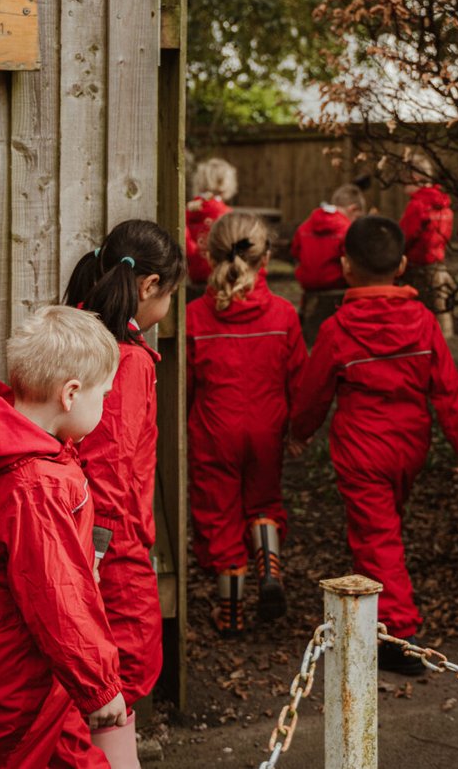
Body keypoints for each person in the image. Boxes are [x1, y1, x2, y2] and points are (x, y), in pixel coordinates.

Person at [289, 215, 458, 675]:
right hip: (410, 446)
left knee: (378, 538)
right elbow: (447, 386)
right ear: (403, 265)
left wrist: (300, 430)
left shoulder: (338, 329)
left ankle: (399, 637)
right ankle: (381, 611)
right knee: (383, 529)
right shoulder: (424, 321)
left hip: (363, 451)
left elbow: (314, 392)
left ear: (345, 266)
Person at [0, 305, 127, 769]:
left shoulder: (16, 449)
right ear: (71, 394)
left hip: (42, 667)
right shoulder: (34, 484)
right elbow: (55, 593)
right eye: (103, 395)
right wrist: (99, 683)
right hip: (16, 678)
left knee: (74, 758)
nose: (104, 407)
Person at [62, 220, 185, 769]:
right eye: (170, 293)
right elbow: (109, 464)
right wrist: (98, 553)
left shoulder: (77, 336)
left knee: (97, 667)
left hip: (81, 531)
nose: (169, 305)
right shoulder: (124, 359)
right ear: (150, 285)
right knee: (127, 663)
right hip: (111, 542)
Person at [186, 211, 307, 635]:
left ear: (208, 257)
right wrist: (297, 430)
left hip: (214, 431)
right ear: (266, 257)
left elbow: (186, 385)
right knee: (264, 502)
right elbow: (300, 377)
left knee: (218, 513)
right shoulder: (284, 315)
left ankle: (231, 611)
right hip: (268, 428)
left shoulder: (195, 317)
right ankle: (269, 567)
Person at [290, 182, 364, 344]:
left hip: (308, 284)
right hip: (336, 284)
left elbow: (295, 251)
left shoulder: (306, 225)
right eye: (357, 217)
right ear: (353, 209)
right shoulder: (346, 229)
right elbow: (352, 259)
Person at [398, 156, 454, 337]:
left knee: (418, 312)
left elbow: (404, 237)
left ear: (414, 178)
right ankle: (444, 342)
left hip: (418, 269)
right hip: (438, 265)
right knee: (440, 309)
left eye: (403, 181)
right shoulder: (443, 204)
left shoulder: (417, 206)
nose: (402, 187)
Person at [184, 158, 237, 290]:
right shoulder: (226, 213)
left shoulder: (189, 210)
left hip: (193, 271)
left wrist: (193, 253)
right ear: (226, 184)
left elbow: (184, 237)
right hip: (220, 274)